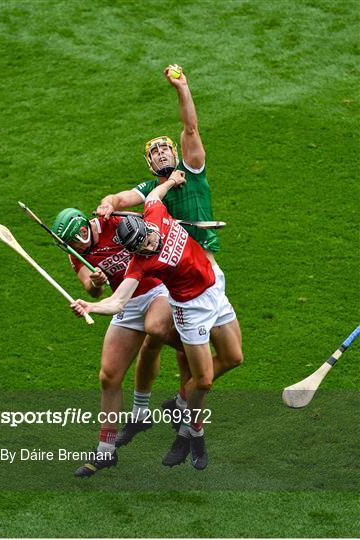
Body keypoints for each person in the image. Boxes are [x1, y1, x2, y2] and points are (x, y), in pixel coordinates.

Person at [96, 64, 243, 432]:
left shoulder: (193, 168)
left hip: (208, 272)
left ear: (176, 153)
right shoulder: (150, 192)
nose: (162, 153)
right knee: (163, 336)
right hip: (177, 282)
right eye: (155, 152)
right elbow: (120, 196)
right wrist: (107, 204)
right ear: (149, 164)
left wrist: (182, 88)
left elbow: (191, 127)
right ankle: (173, 421)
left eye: (166, 148)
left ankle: (180, 401)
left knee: (228, 357)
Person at [71, 171, 237, 470]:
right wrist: (91, 306)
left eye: (147, 241)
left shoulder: (156, 214)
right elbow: (119, 300)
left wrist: (173, 181)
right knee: (203, 379)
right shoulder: (141, 262)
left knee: (234, 358)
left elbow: (153, 196)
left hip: (214, 289)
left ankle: (177, 404)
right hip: (189, 308)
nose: (148, 248)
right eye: (140, 249)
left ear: (147, 226)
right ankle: (192, 433)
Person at [51, 207, 180, 477]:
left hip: (156, 288)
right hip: (123, 303)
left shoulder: (115, 222)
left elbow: (153, 234)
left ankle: (188, 361)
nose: (70, 247)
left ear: (83, 231)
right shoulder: (76, 253)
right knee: (108, 376)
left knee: (155, 330)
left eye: (72, 241)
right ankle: (105, 450)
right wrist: (97, 283)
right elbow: (91, 288)